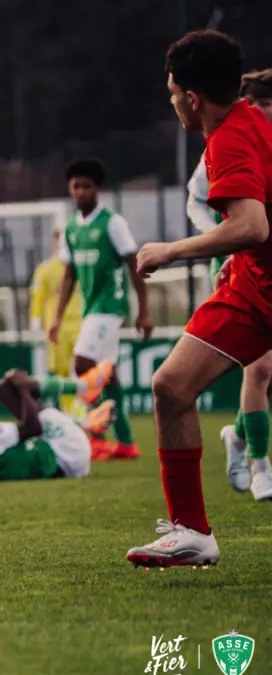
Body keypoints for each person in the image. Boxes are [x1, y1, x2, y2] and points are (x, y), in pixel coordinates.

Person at [128, 31, 272, 568]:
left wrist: (172, 250)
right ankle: (191, 531)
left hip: (259, 280)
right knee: (170, 386)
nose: (171, 103)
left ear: (191, 98)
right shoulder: (247, 119)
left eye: (171, 92)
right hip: (253, 285)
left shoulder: (232, 137)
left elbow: (251, 224)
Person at [49, 158, 153, 461]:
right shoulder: (70, 228)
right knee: (109, 377)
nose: (80, 191)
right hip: (91, 308)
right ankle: (125, 442)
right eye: (75, 186)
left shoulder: (112, 223)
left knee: (82, 365)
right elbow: (69, 276)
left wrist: (143, 311)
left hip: (111, 305)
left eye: (86, 186)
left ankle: (95, 437)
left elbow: (135, 266)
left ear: (97, 189)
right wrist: (56, 318)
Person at [213, 69, 272, 501]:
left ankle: (237, 436)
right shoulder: (227, 144)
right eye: (262, 105)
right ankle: (262, 466)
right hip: (248, 273)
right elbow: (232, 217)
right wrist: (228, 257)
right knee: (261, 368)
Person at [29, 227, 83, 414]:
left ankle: (85, 405)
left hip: (79, 323)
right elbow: (38, 295)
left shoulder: (80, 266)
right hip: (56, 326)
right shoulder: (46, 270)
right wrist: (36, 318)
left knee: (83, 365)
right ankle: (67, 408)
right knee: (60, 369)